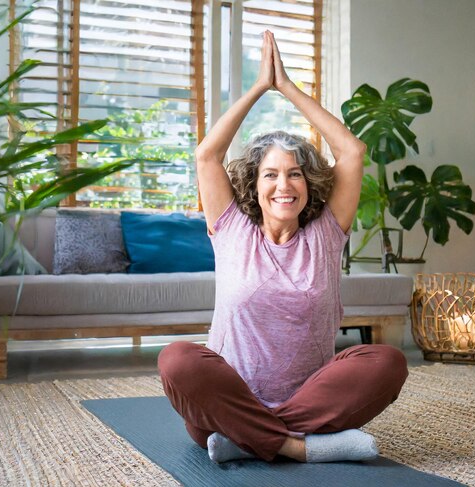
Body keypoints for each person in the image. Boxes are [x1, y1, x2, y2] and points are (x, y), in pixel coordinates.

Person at [158, 31, 408, 464]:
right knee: (178, 360)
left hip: (304, 405)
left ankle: (252, 440)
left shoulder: (327, 234)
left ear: (309, 185)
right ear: (254, 187)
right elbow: (206, 156)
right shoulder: (232, 228)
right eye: (270, 175)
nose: (284, 185)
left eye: (295, 174)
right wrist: (259, 87)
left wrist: (288, 87)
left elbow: (350, 150)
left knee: (387, 362)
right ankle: (297, 447)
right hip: (225, 406)